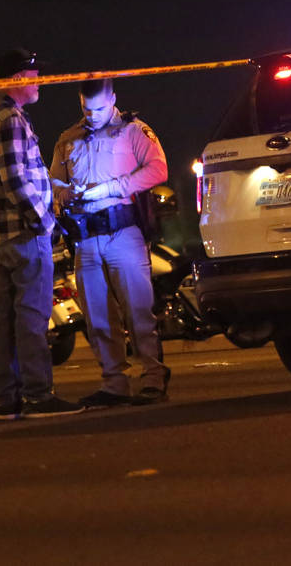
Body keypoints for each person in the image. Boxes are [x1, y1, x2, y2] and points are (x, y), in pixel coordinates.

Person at [0, 48, 83, 420]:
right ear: (19, 79)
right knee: (33, 317)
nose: (40, 83)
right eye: (35, 75)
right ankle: (38, 395)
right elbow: (16, 179)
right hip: (22, 234)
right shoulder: (11, 118)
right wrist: (43, 221)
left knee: (3, 319)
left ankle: (5, 397)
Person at [50, 78, 170, 407]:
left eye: (100, 108)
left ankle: (153, 377)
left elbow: (158, 170)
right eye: (86, 110)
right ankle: (114, 382)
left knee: (138, 311)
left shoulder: (133, 130)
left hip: (123, 230)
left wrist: (114, 188)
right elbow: (54, 179)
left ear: (113, 99)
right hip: (86, 237)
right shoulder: (69, 137)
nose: (93, 115)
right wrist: (62, 192)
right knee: (98, 316)